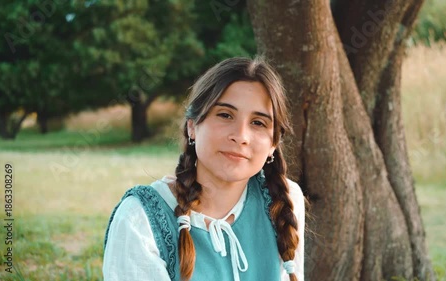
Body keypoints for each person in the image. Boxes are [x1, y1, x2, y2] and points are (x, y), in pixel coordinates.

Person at [103, 57, 305, 281]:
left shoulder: (285, 201)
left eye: (258, 122)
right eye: (225, 115)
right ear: (192, 127)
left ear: (273, 144)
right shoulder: (138, 218)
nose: (240, 136)